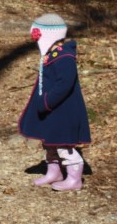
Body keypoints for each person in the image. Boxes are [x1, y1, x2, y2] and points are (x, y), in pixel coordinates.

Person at [18, 14, 91, 191]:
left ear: (48, 36)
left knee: (64, 144)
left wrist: (46, 101)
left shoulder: (64, 57)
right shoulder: (52, 55)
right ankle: (54, 172)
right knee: (50, 141)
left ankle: (74, 179)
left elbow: (65, 84)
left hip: (62, 109)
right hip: (52, 109)